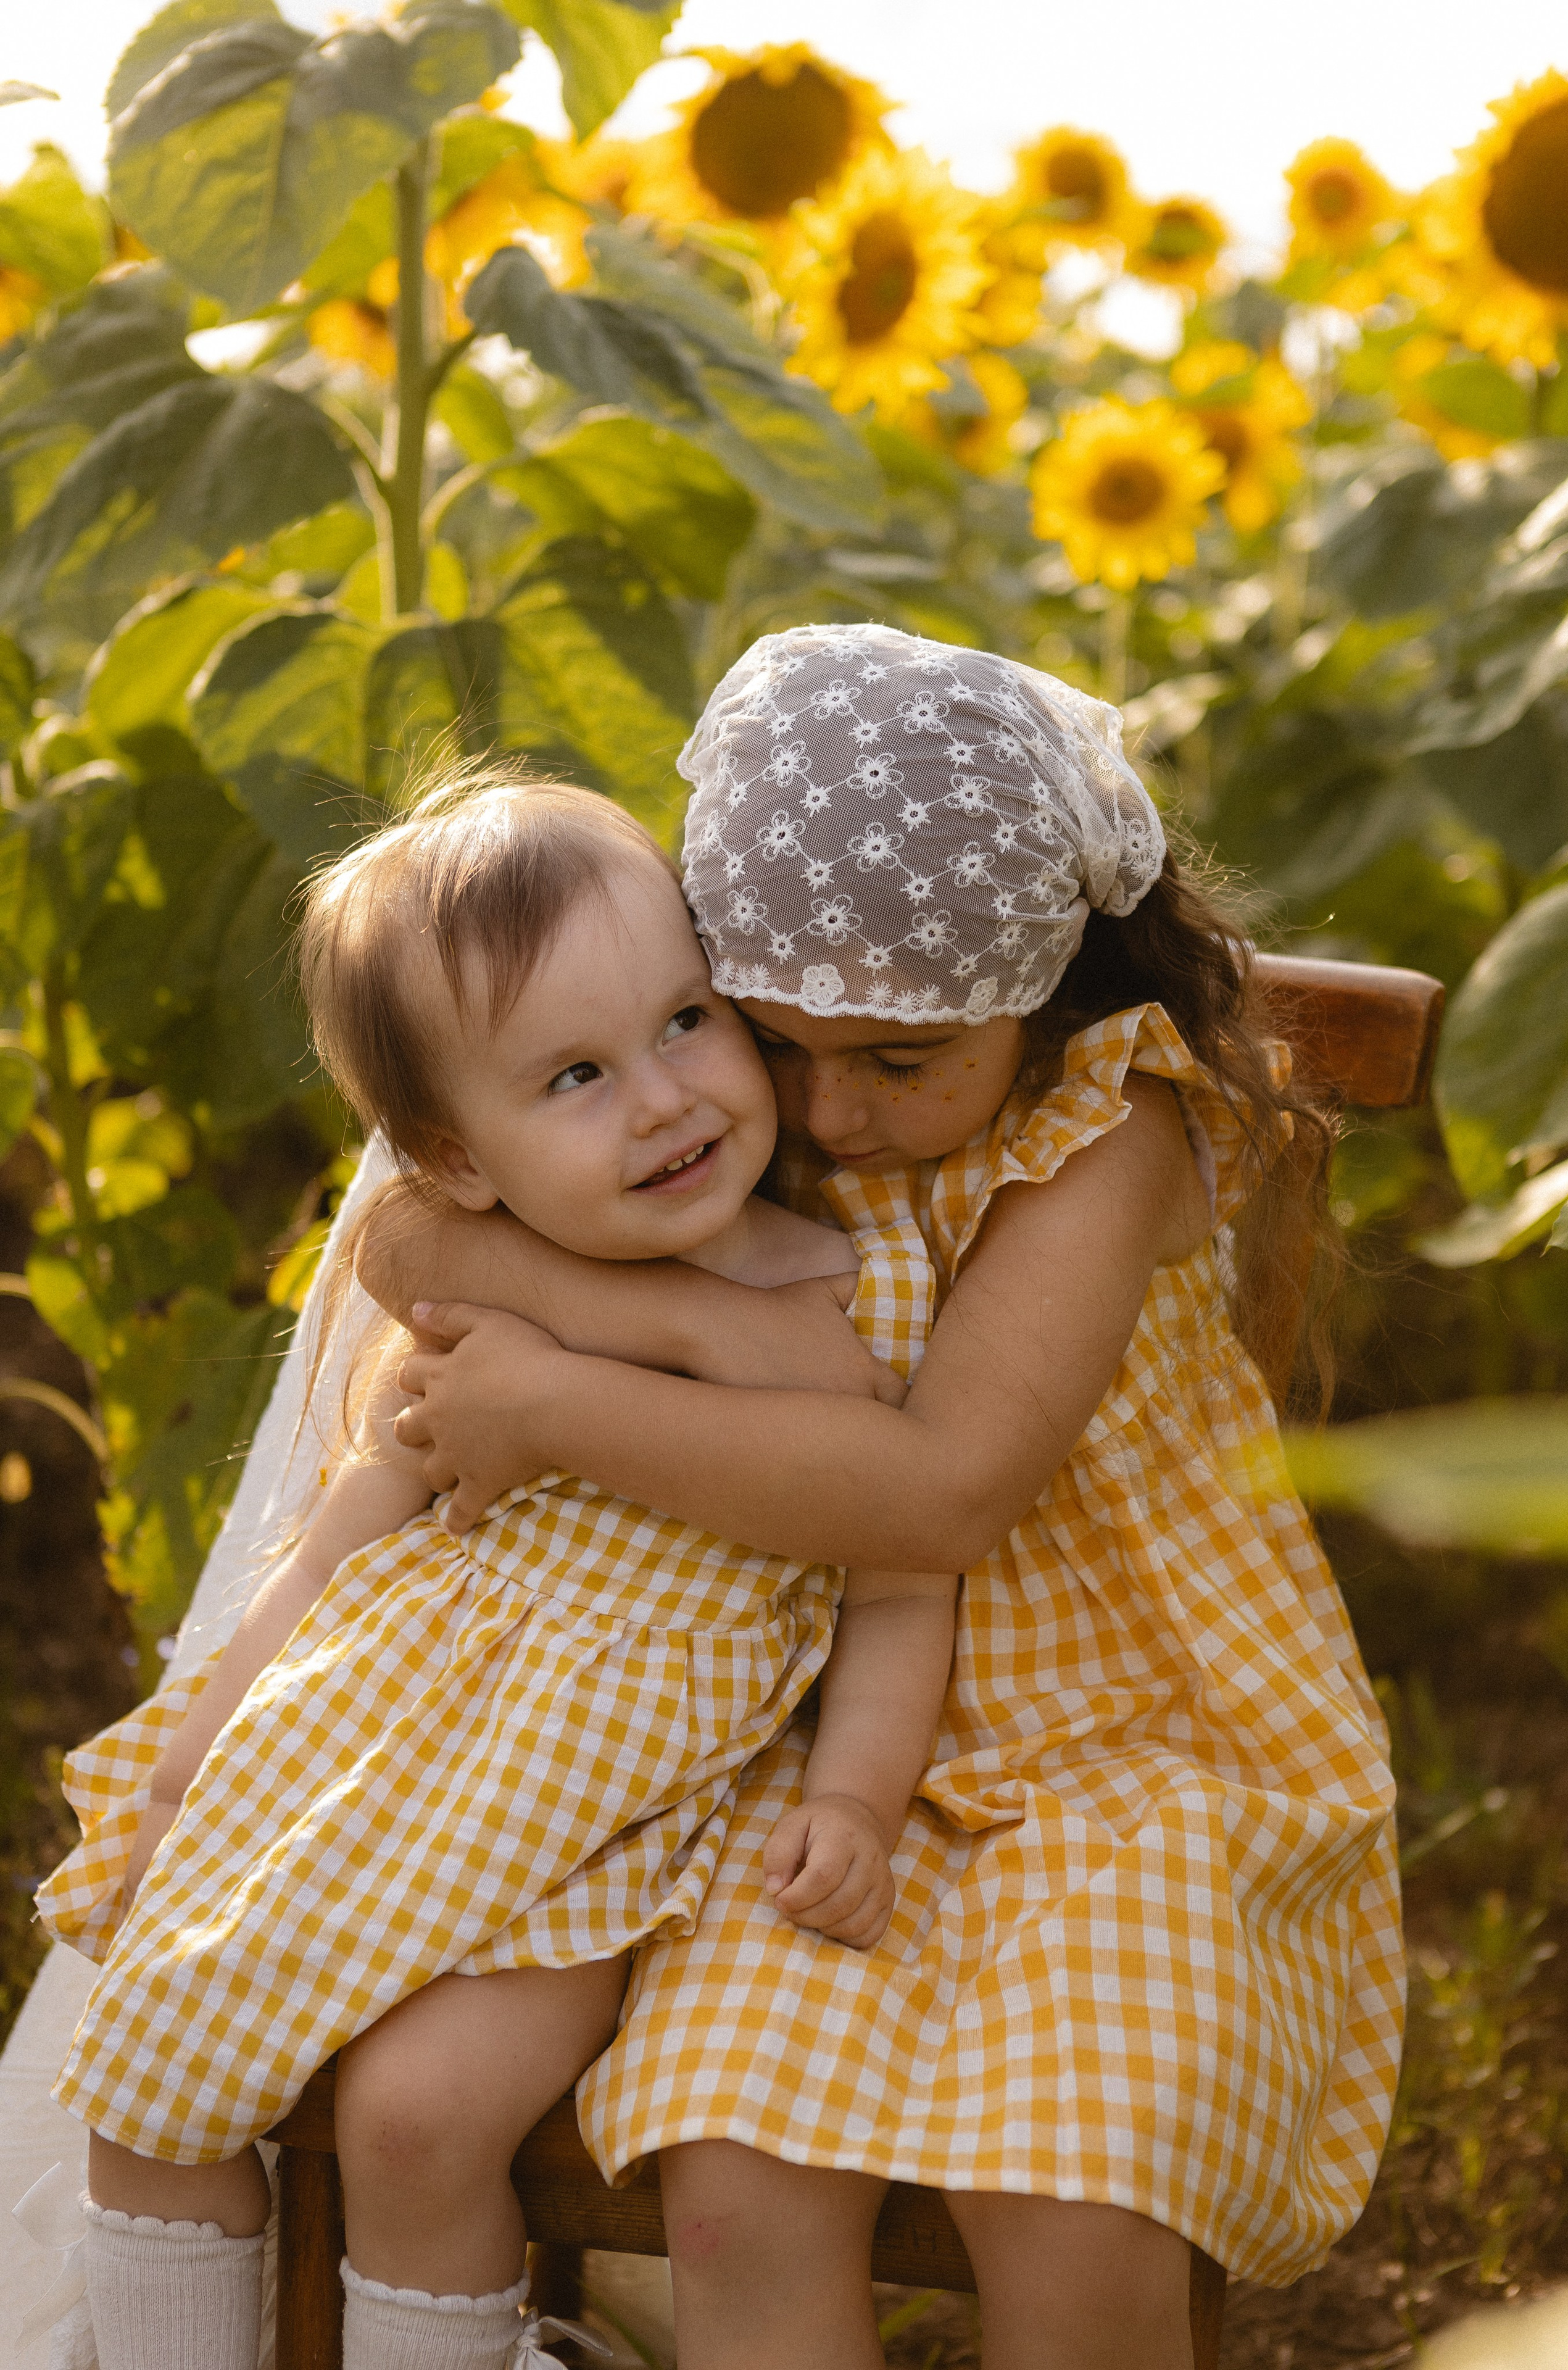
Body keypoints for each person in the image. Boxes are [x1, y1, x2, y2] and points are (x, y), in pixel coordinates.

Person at [385, 625, 1406, 2370]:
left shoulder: (1105, 1139)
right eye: (772, 1038)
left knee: (1078, 2194)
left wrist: (558, 1391)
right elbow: (402, 1226)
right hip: (820, 1752)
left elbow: (934, 1500)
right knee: (736, 2173)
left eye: (895, 1063)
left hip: (1134, 1748)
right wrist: (670, 1312)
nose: (826, 1113)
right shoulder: (725, 1083)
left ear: (1040, 989)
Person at [34, 769, 960, 2370]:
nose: (666, 1099)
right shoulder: (500, 1299)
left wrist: (858, 1800)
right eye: (578, 1075)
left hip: (599, 1818)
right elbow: (355, 1523)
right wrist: (198, 1755)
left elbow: (899, 1578)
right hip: (359, 1758)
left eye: (685, 1021)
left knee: (419, 2123)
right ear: (457, 1161)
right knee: (148, 2064)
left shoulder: (856, 1288)